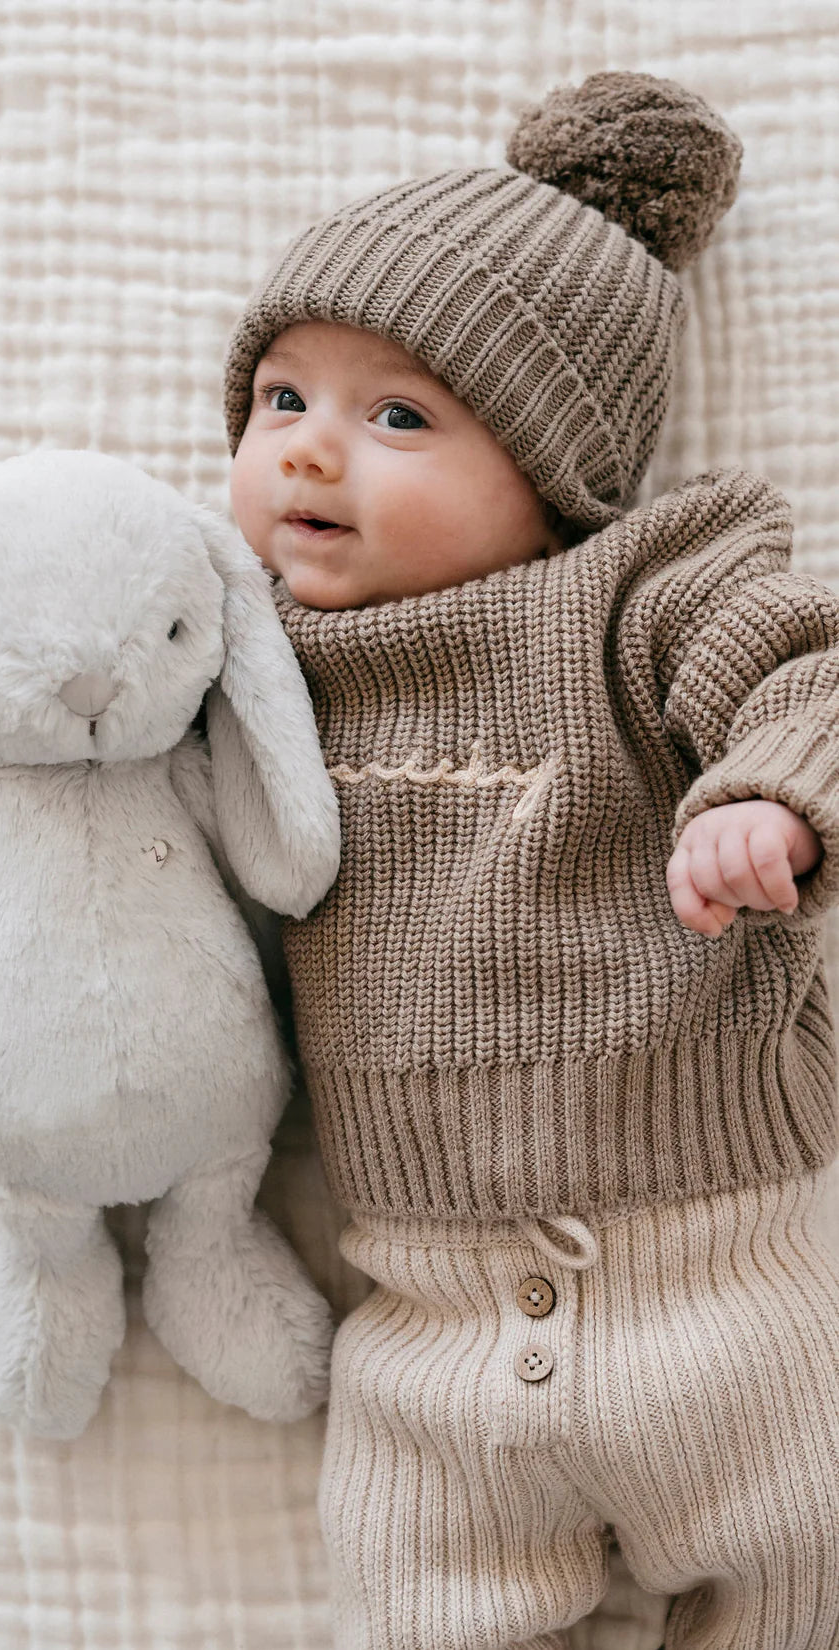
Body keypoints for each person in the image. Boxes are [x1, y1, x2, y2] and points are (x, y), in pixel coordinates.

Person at [220, 71, 839, 1650]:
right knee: (413, 1602)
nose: (309, 453)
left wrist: (766, 796)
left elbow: (807, 671)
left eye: (398, 416)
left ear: (552, 471)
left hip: (724, 1276)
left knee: (806, 1566)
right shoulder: (246, 657)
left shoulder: (637, 594)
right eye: (281, 399)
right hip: (420, 1318)